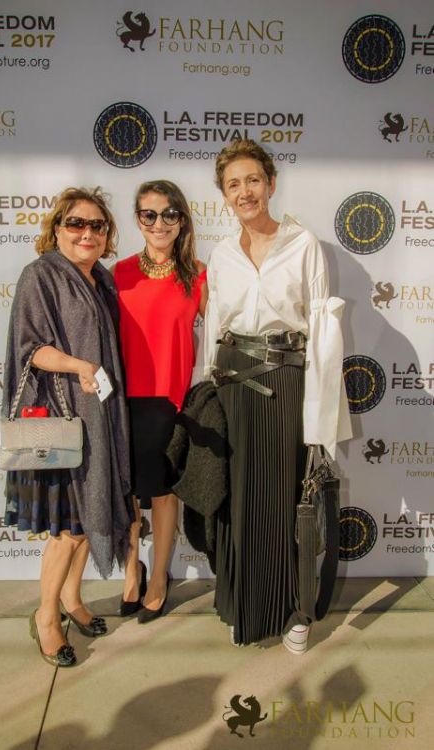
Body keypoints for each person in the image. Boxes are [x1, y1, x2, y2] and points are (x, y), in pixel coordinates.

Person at [203, 140, 352, 650]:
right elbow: (213, 326)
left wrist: (320, 416)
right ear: (225, 195)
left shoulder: (303, 244)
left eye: (252, 180)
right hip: (231, 381)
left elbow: (322, 331)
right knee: (237, 496)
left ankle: (294, 611)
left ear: (270, 183)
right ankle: (241, 605)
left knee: (287, 497)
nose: (244, 192)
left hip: (285, 380)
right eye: (233, 185)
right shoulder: (222, 253)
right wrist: (206, 389)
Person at [3, 187, 133, 666]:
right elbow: (31, 349)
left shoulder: (101, 280)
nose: (87, 233)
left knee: (85, 519)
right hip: (62, 420)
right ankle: (45, 617)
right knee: (68, 529)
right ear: (57, 229)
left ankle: (72, 598)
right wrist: (79, 366)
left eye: (97, 225)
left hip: (99, 417)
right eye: (76, 223)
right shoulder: (40, 275)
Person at [113, 180, 207, 623]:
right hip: (123, 400)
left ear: (182, 219)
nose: (159, 223)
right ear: (138, 219)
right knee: (128, 494)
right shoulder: (118, 273)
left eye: (169, 214)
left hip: (171, 401)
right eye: (149, 214)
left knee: (165, 493)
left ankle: (159, 579)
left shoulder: (198, 275)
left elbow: (225, 330)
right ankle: (132, 570)